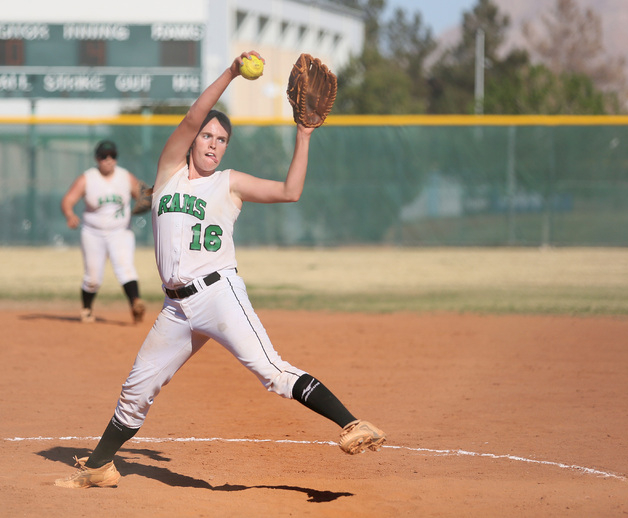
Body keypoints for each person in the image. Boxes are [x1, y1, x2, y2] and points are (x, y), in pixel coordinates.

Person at [54, 51, 385, 489]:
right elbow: (191, 117)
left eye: (221, 139)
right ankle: (98, 467)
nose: (211, 143)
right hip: (176, 309)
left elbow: (290, 191)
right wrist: (230, 72)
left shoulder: (228, 182)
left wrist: (303, 135)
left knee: (272, 370)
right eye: (207, 135)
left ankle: (353, 423)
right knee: (137, 388)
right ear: (192, 141)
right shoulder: (169, 174)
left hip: (219, 294)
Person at [61, 140, 146, 324]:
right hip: (93, 233)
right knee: (92, 277)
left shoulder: (125, 177)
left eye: (112, 156)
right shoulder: (88, 178)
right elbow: (68, 200)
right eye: (104, 156)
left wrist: (148, 200)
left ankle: (135, 303)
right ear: (96, 158)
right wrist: (69, 215)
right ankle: (87, 309)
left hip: (120, 232)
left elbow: (144, 197)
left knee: (126, 269)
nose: (108, 160)